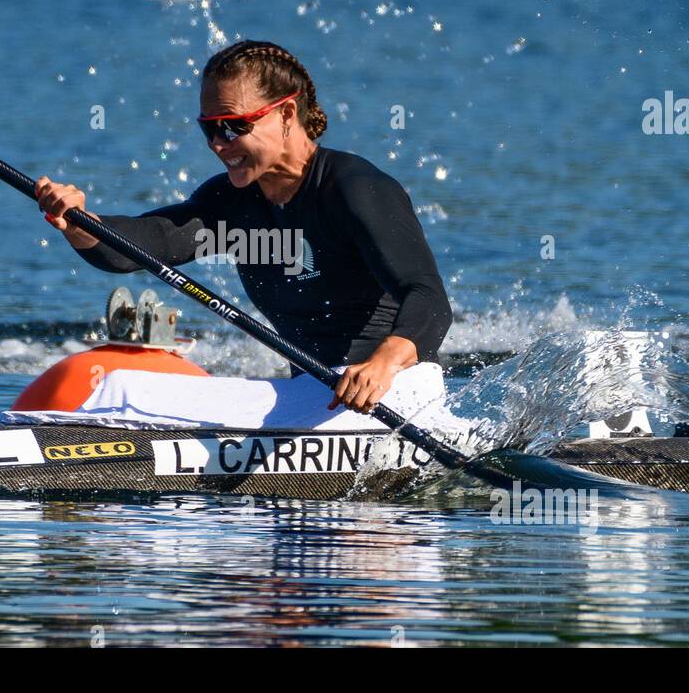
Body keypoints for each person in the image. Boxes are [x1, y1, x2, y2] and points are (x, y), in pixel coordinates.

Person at [35, 40, 451, 414]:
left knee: (125, 393)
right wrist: (80, 223)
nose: (219, 144)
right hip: (313, 396)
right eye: (209, 128)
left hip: (390, 395)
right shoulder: (232, 202)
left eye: (233, 126)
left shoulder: (357, 189)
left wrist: (382, 364)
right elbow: (150, 242)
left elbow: (429, 298)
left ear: (287, 113)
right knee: (121, 385)